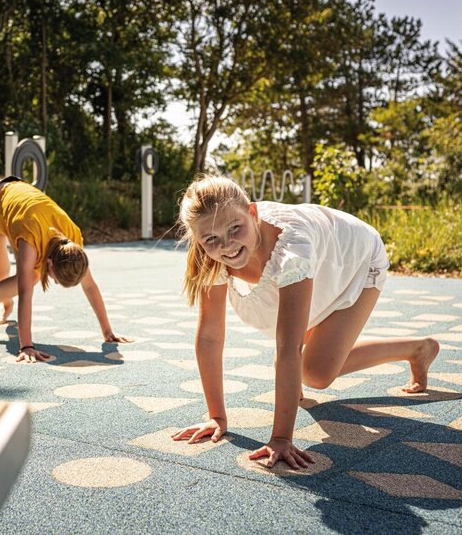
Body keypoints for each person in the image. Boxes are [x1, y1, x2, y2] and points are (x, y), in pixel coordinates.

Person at [171, 176, 439, 469]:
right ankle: (410, 348)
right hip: (319, 255)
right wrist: (216, 416)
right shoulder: (210, 254)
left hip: (354, 257)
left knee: (315, 373)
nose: (227, 245)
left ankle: (417, 349)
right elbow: (210, 337)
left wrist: (281, 438)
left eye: (236, 228)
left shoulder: (292, 252)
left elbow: (289, 346)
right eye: (211, 239)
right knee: (304, 363)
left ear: (252, 213)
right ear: (197, 238)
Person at [0, 176, 130, 362]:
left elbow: (90, 286)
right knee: (2, 271)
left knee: (31, 276)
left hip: (21, 205)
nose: (55, 282)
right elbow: (25, 294)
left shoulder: (73, 244)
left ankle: (2, 306)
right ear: (50, 263)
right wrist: (26, 346)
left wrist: (107, 331)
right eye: (56, 279)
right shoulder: (30, 241)